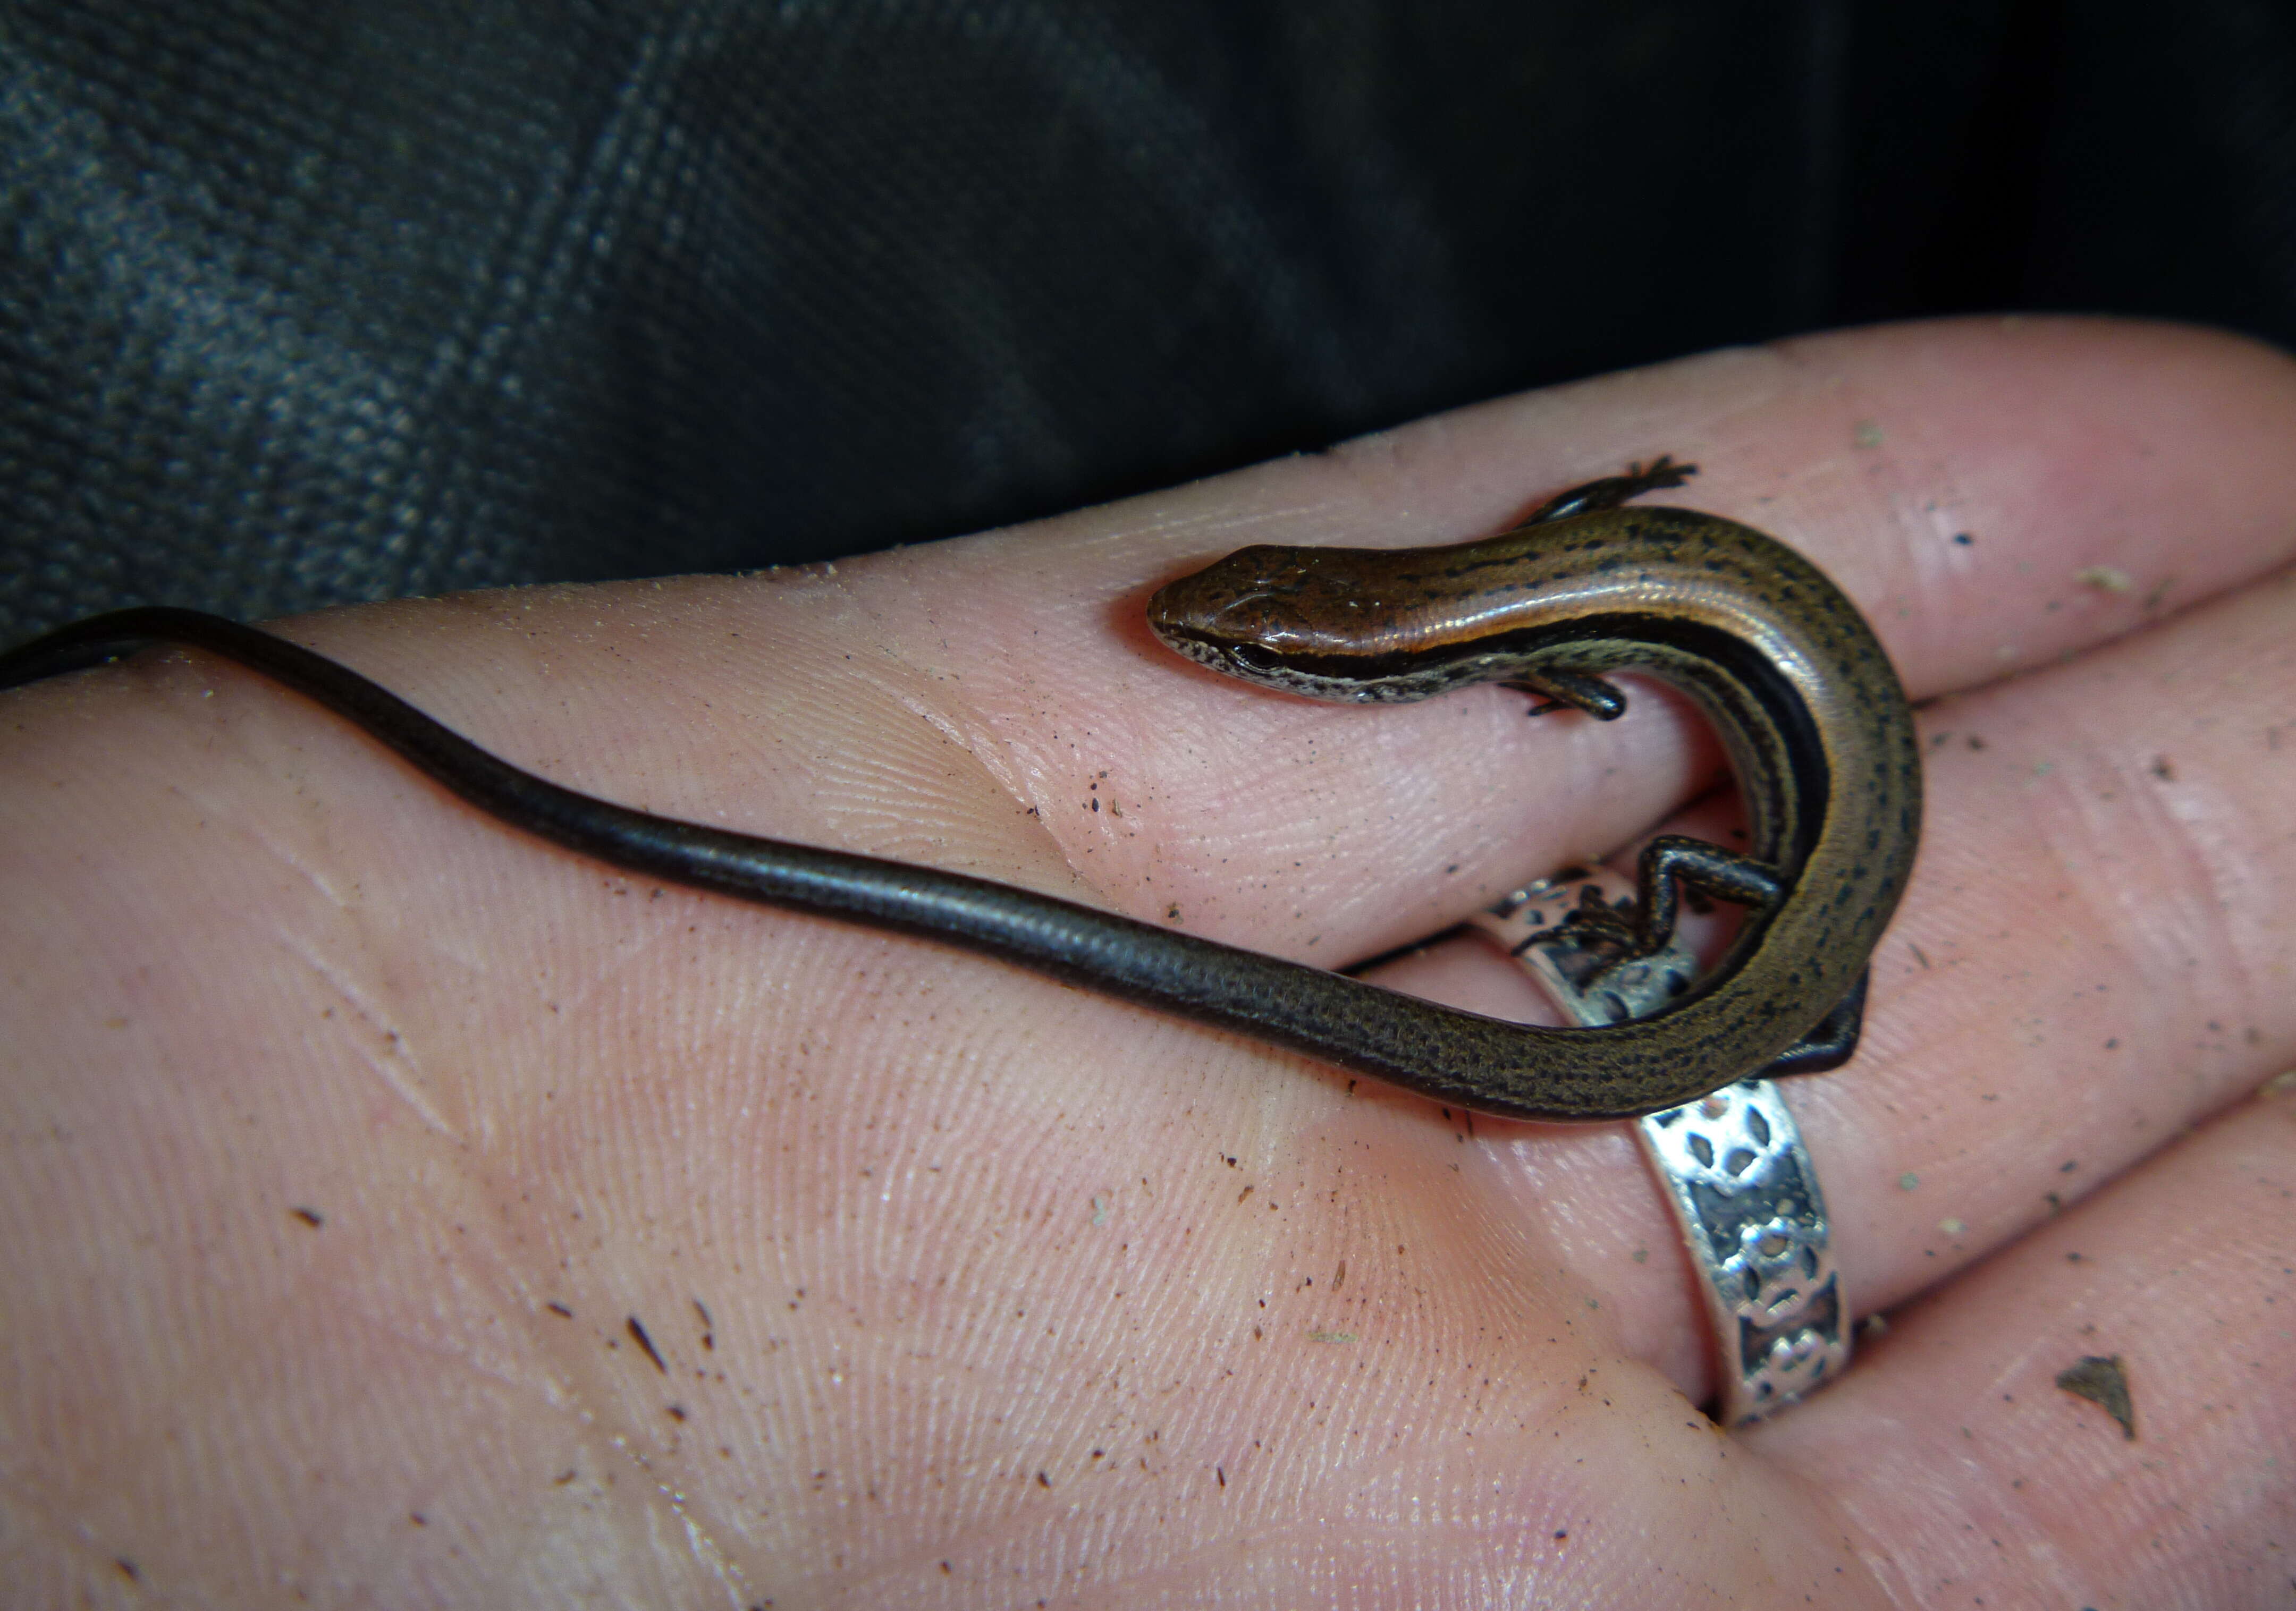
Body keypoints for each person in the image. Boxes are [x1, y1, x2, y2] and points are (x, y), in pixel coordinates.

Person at [2, 313, 2287, 1604]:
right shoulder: (1561, 610)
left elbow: (1587, 605)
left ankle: (1699, 984)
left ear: (1369, 671)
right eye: (1262, 629)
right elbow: (1586, 584)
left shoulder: (1552, 630)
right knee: (1783, 964)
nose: (1225, 647)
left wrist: (1671, 900)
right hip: (1773, 810)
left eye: (1271, 652)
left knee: (1780, 962)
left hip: (1784, 860)